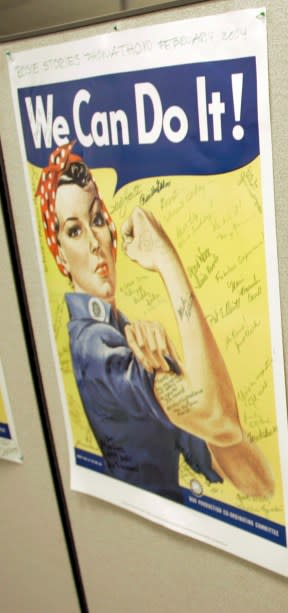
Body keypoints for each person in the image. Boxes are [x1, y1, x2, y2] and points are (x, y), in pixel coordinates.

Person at [37, 142, 274, 503]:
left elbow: (257, 481)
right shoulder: (96, 346)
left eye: (97, 220)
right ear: (61, 256)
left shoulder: (126, 337)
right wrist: (167, 262)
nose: (94, 243)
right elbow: (217, 416)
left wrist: (179, 371)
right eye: (74, 231)